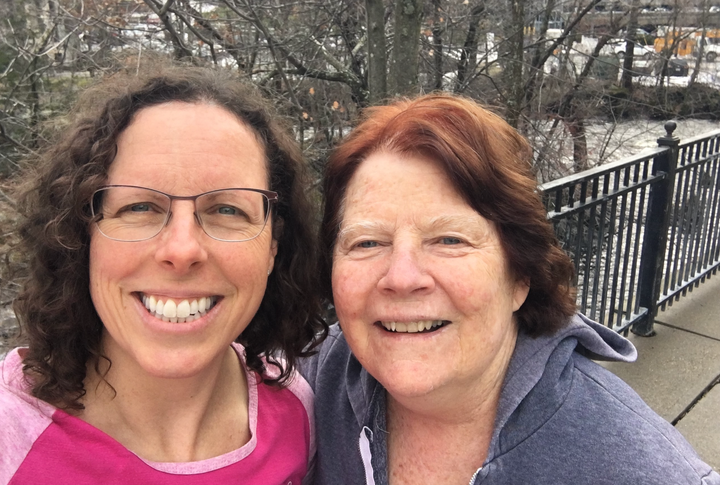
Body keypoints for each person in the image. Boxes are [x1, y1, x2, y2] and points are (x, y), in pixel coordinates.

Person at [301, 93, 720, 484]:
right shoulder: (313, 380)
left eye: (450, 240)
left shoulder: (635, 467)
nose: (402, 277)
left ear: (520, 276)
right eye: (367, 242)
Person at [0, 66, 326, 484]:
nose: (182, 250)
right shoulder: (12, 439)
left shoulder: (298, 412)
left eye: (228, 210)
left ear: (273, 248)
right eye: (138, 207)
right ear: (81, 238)